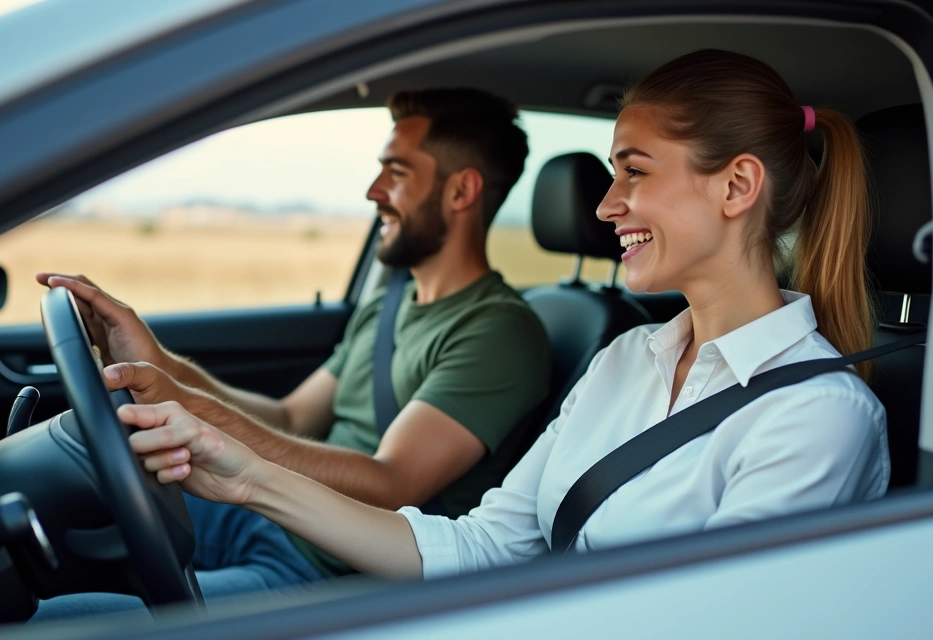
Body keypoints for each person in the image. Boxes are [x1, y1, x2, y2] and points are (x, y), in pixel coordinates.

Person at [117, 49, 890, 581]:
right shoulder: (627, 360)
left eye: (635, 171)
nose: (606, 203)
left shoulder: (815, 416)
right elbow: (484, 545)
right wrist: (247, 478)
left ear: (736, 186)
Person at [32, 88, 550, 616]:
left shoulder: (498, 332)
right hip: (262, 512)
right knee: (55, 505)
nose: (373, 191)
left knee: (48, 624)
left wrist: (194, 409)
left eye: (396, 172)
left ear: (461, 190)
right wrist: (160, 364)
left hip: (328, 570)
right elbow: (291, 416)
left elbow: (391, 484)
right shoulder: (389, 305)